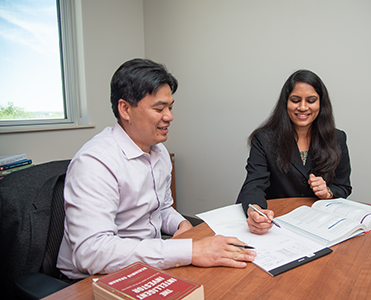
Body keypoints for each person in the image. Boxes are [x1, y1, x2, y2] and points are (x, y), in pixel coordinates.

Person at [57, 58, 255, 280]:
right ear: (125, 109)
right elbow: (91, 253)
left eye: (170, 107)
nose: (169, 116)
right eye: (159, 108)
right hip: (93, 278)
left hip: (145, 263)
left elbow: (160, 209)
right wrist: (190, 250)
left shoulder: (159, 153)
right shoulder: (95, 163)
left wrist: (181, 223)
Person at [237, 69, 352, 235]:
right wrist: (255, 212)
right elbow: (254, 185)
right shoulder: (264, 139)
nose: (303, 107)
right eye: (295, 100)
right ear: (286, 103)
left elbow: (343, 187)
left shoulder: (337, 138)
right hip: (279, 223)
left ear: (321, 104)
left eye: (311, 100)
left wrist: (328, 192)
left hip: (320, 224)